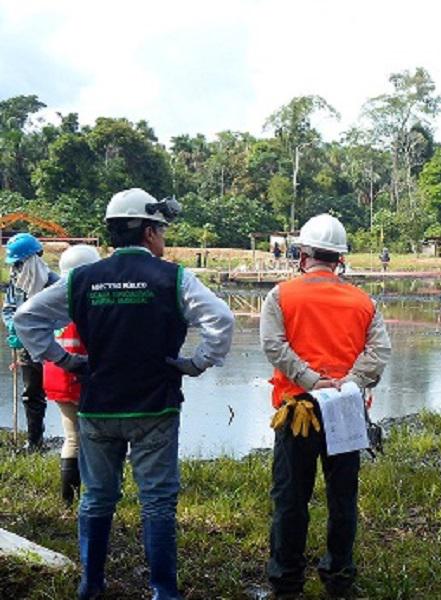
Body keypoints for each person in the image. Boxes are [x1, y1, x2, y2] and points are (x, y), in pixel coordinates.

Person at [14, 188, 235, 600]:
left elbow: (27, 319)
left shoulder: (82, 279)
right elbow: (219, 319)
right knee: (157, 502)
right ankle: (164, 591)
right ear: (150, 232)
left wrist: (63, 360)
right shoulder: (174, 278)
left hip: (98, 406)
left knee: (97, 498)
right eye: (162, 231)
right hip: (156, 405)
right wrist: (196, 363)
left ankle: (91, 584)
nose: (164, 238)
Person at [260, 213, 391, 599]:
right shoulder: (363, 301)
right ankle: (339, 577)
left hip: (298, 409)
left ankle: (286, 582)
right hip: (347, 409)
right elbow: (379, 352)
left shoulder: (280, 296)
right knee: (342, 497)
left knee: (290, 499)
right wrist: (347, 383)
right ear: (340, 260)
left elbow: (273, 346)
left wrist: (310, 380)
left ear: (302, 255)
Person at [42, 244, 101, 505]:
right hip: (85, 376)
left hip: (57, 375)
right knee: (96, 439)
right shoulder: (91, 300)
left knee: (71, 437)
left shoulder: (52, 298)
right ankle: (94, 495)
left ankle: (68, 501)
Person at [3, 232, 59, 450]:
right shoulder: (16, 282)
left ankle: (77, 442)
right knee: (32, 393)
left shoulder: (54, 284)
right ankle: (35, 441)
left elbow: (62, 318)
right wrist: (12, 326)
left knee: (68, 394)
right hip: (27, 348)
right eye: (14, 263)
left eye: (19, 262)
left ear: (34, 259)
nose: (16, 268)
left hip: (52, 347)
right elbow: (9, 308)